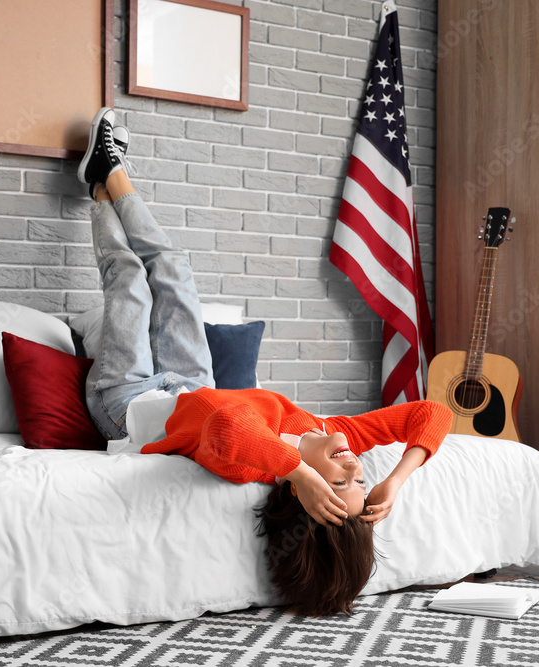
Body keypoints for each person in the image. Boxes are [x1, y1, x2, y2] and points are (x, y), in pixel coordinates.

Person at [78, 107, 453, 616]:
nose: (354, 466)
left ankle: (100, 187)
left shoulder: (250, 462)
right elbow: (432, 413)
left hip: (128, 404)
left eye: (338, 481)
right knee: (174, 271)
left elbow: (229, 423)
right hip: (193, 383)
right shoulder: (335, 433)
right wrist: (397, 479)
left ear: (303, 489)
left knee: (131, 282)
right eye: (360, 480)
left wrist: (299, 473)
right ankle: (111, 173)